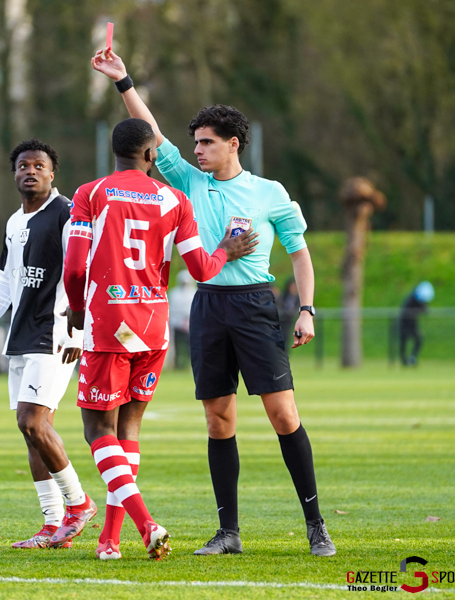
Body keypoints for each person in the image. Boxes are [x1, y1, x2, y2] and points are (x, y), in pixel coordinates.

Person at [93, 49, 336, 557]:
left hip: (254, 306)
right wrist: (124, 82)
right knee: (217, 420)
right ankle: (229, 533)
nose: (196, 150)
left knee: (282, 415)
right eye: (194, 143)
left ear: (233, 144)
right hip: (207, 306)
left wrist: (307, 308)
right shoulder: (188, 181)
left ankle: (316, 525)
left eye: (206, 143)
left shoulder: (270, 193)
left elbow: (301, 255)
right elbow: (150, 133)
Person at [63, 118, 256, 560]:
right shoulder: (175, 199)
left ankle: (145, 522)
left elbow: (75, 268)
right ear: (151, 155)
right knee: (127, 430)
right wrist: (227, 247)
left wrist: (76, 308)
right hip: (154, 326)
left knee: (97, 429)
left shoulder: (90, 193)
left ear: (114, 152)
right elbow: (203, 269)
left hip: (109, 323)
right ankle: (109, 541)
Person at [0, 139, 96, 550]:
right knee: (33, 432)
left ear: (52, 173)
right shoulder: (14, 222)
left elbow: (85, 270)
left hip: (55, 332)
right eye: (23, 165)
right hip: (22, 334)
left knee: (32, 422)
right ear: (14, 173)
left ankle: (79, 504)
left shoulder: (67, 212)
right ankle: (52, 524)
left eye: (39, 165)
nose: (31, 171)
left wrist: (80, 330)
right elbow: (6, 281)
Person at [400, 281, 433, 366]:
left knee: (418, 339)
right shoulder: (411, 300)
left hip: (413, 323)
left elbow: (423, 309)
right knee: (403, 341)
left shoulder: (419, 300)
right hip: (404, 323)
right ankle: (404, 360)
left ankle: (412, 357)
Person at [168, 270, 195, 369]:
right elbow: (172, 308)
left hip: (190, 324)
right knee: (177, 346)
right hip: (176, 323)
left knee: (190, 347)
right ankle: (177, 365)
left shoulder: (194, 293)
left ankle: (189, 364)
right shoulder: (174, 293)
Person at [279, 278, 301, 350]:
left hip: (289, 321)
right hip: (281, 320)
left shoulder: (298, 298)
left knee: (287, 340)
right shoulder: (283, 296)